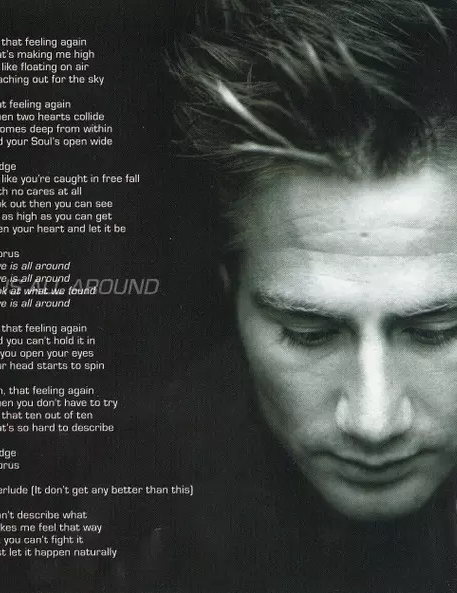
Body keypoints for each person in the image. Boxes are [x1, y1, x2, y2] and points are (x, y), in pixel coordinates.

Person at [95, 1, 457, 592]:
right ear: (230, 290)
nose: (373, 423)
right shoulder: (118, 522)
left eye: (436, 331)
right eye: (309, 334)